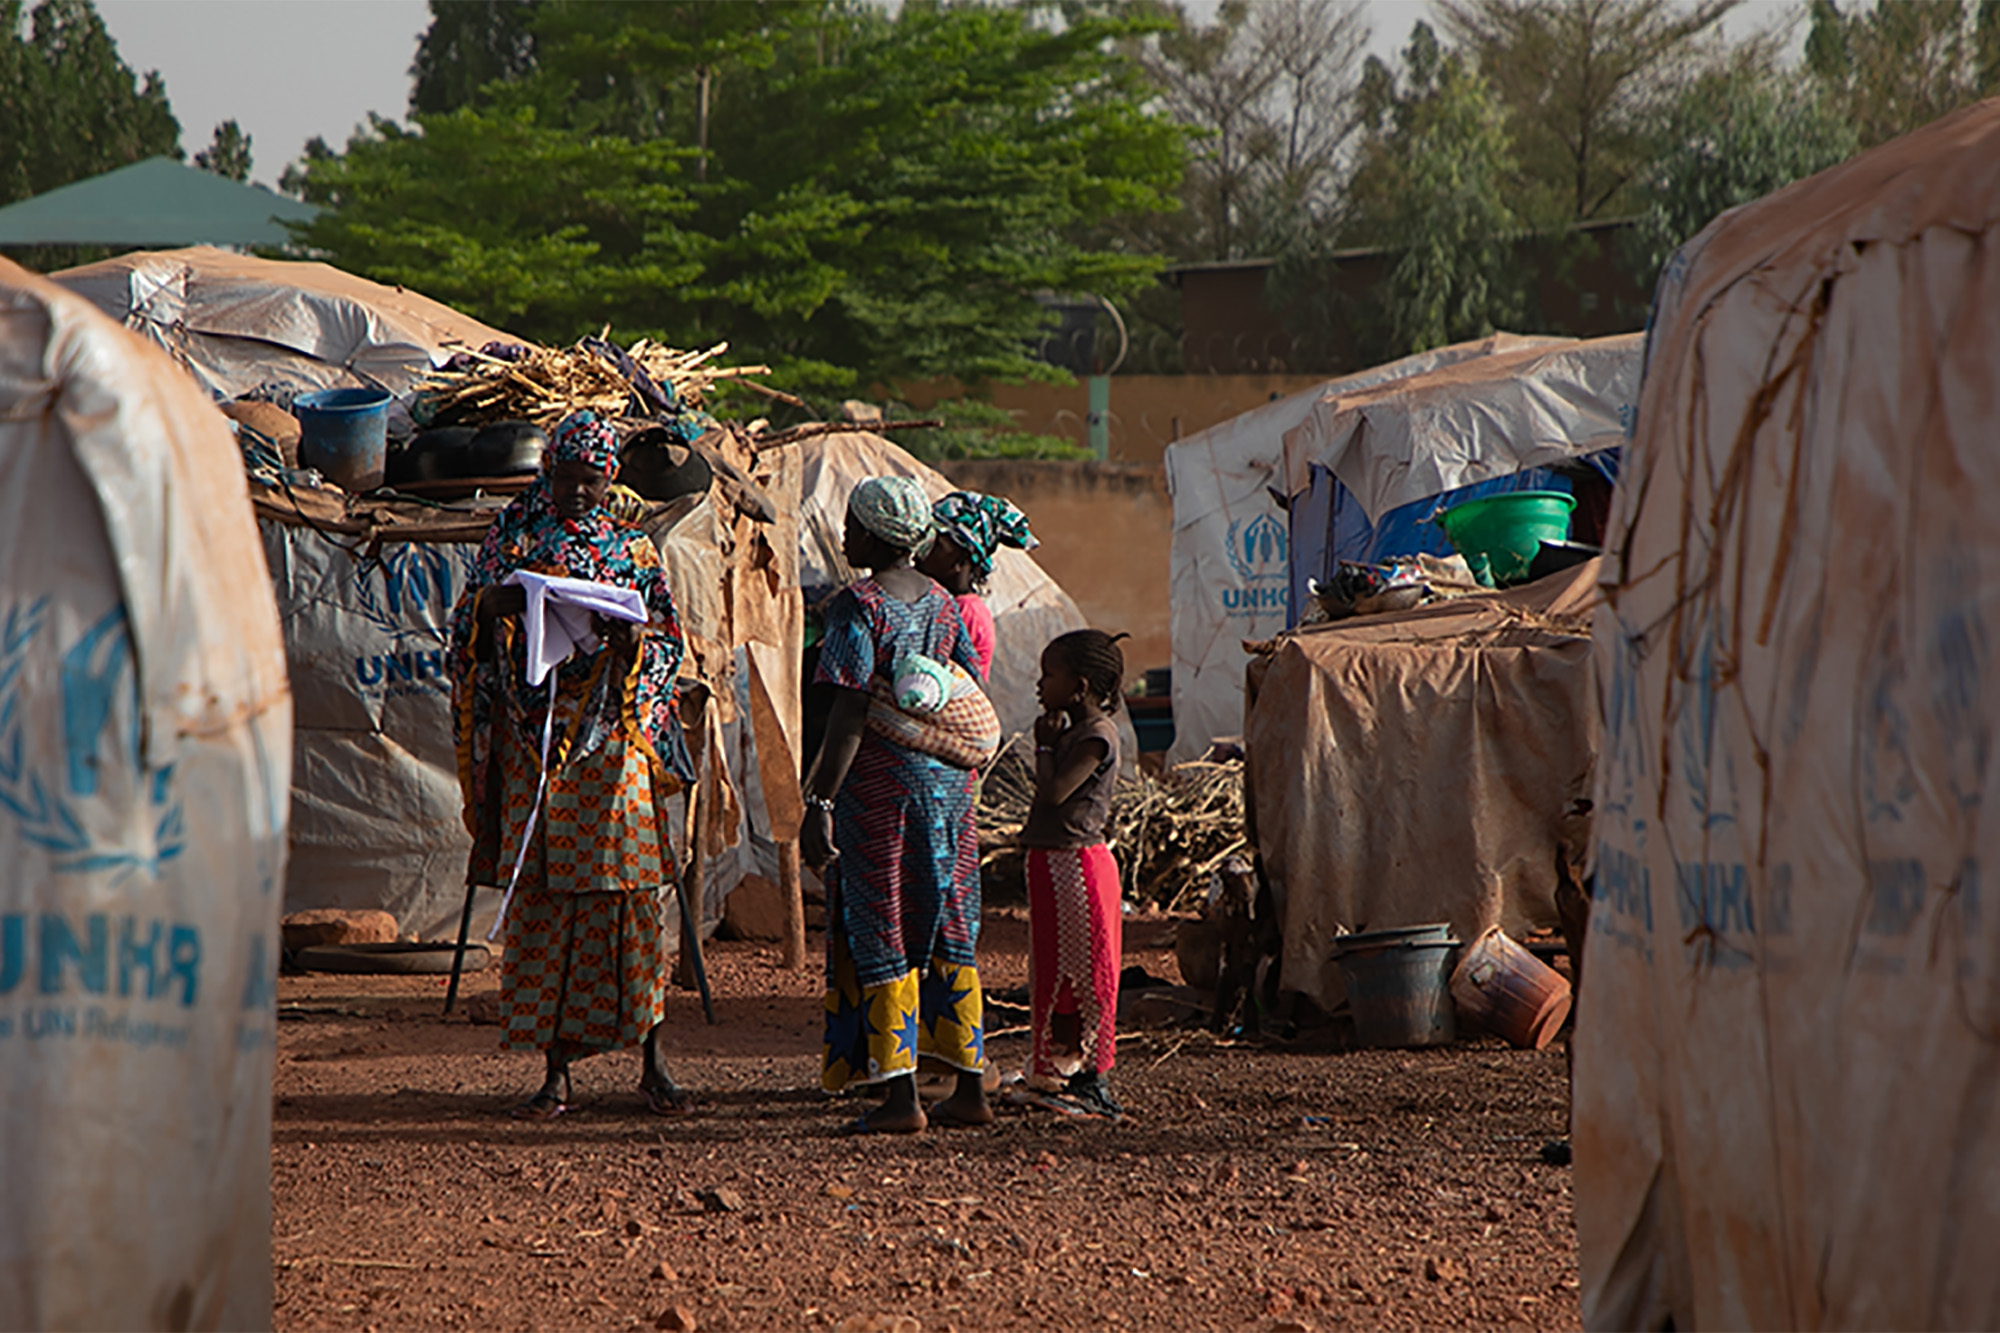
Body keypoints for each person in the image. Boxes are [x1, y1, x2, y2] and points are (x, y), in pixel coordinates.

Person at [448, 409, 693, 1120]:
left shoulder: (633, 551)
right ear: (547, 473)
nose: (578, 493)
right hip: (536, 742)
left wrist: (628, 641)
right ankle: (556, 1073)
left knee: (632, 895)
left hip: (612, 745)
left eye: (591, 481)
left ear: (609, 478)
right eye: (566, 479)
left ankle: (652, 1062)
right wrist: (504, 601)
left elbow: (666, 641)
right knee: (547, 899)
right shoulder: (514, 536)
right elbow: (468, 621)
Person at [802, 475, 992, 1134]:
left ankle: (901, 1096)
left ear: (875, 534)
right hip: (947, 787)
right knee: (947, 916)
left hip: (882, 792)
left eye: (852, 526)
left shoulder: (857, 606)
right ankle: (969, 1086)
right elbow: (962, 681)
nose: (846, 536)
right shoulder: (942, 602)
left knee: (883, 917)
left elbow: (848, 709)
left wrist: (818, 799)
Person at [1019, 628, 1129, 1119]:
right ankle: (1061, 1068)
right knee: (1055, 972)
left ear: (1079, 686)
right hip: (1053, 862)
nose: (1040, 684)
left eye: (1050, 675)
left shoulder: (1096, 737)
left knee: (1088, 973)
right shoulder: (1073, 731)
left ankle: (1092, 1077)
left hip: (1078, 867)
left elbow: (1054, 794)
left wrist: (1043, 748)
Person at [917, 491, 1038, 681]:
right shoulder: (942, 601)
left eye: (935, 544)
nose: (921, 552)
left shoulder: (968, 614)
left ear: (960, 559)